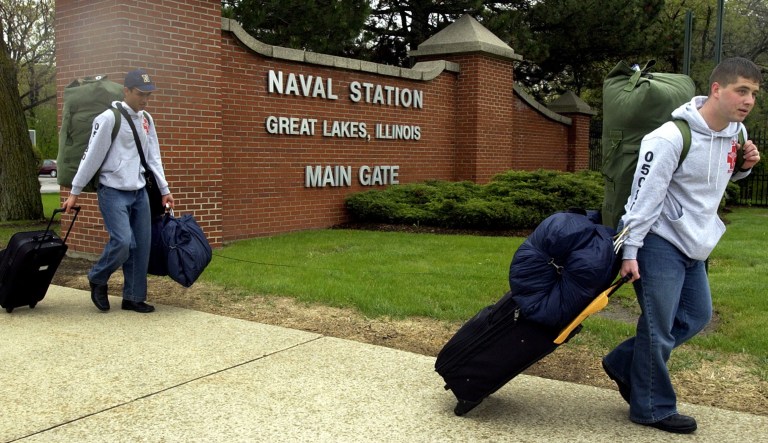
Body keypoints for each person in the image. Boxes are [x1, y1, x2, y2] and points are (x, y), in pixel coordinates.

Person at [602, 57, 762, 434]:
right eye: (742, 90)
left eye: (754, 93)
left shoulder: (736, 133)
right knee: (659, 328)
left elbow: (719, 175)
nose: (749, 100)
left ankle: (623, 364)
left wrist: (745, 166)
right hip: (658, 240)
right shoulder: (669, 137)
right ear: (717, 90)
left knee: (695, 317)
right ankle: (651, 407)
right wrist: (630, 250)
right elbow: (644, 198)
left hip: (696, 242)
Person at [63, 69, 174, 314]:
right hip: (112, 190)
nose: (144, 100)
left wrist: (164, 189)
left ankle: (133, 297)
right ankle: (98, 276)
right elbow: (91, 157)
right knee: (124, 242)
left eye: (149, 95)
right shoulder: (108, 118)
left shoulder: (146, 119)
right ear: (126, 91)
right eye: (140, 94)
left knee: (141, 247)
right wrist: (75, 191)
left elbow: (152, 156)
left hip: (140, 191)